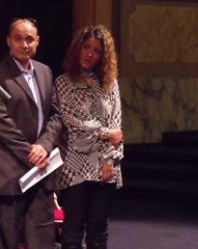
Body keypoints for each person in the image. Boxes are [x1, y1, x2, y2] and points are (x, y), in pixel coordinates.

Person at [0, 18, 60, 249]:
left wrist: (44, 146)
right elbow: (2, 124)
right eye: (18, 38)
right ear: (8, 40)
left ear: (37, 41)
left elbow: (55, 116)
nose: (24, 44)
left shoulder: (45, 71)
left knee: (42, 240)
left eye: (29, 39)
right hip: (9, 171)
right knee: (9, 240)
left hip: (41, 169)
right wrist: (31, 152)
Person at [54, 25, 123, 249]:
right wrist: (105, 133)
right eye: (86, 47)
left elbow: (116, 125)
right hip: (75, 166)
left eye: (97, 50)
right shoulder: (63, 82)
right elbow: (75, 125)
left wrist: (109, 160)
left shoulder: (110, 84)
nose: (90, 54)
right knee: (73, 230)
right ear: (78, 48)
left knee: (98, 228)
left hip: (106, 167)